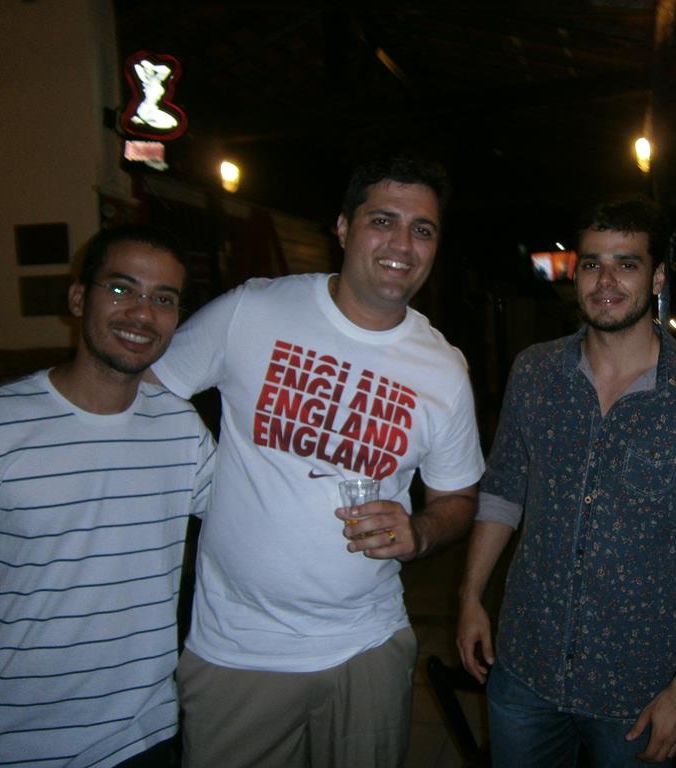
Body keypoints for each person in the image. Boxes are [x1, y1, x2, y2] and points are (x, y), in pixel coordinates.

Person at [147, 152, 485, 768]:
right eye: (382, 221)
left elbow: (458, 499)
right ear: (343, 227)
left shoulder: (444, 369)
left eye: (422, 229)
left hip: (368, 646)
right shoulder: (253, 310)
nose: (402, 245)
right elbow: (146, 391)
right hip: (238, 650)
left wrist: (420, 533)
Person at [456, 198, 676, 767]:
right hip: (527, 665)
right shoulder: (535, 371)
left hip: (640, 690)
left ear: (657, 277)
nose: (605, 281)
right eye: (592, 264)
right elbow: (503, 492)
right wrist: (469, 597)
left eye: (626, 264)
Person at [0, 224, 216, 767]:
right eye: (121, 289)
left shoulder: (180, 428)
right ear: (78, 298)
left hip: (141, 738)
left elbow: (257, 509)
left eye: (163, 299)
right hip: (3, 741)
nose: (142, 314)